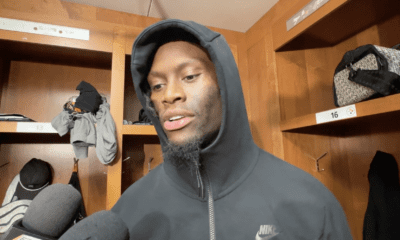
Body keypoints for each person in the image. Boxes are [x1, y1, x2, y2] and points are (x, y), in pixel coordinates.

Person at [112, 19, 353, 239]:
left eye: (190, 76)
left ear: (224, 86)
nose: (169, 95)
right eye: (157, 85)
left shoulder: (310, 203)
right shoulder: (128, 212)